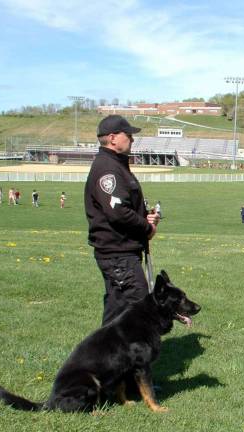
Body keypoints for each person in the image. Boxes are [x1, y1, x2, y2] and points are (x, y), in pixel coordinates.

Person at [85, 115, 160, 325]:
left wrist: (145, 216)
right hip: (118, 254)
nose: (132, 140)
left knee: (117, 312)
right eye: (128, 135)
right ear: (112, 138)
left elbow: (124, 206)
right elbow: (118, 212)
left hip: (120, 252)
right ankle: (131, 356)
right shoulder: (108, 168)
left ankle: (101, 355)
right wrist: (147, 228)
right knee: (141, 310)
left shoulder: (115, 165)